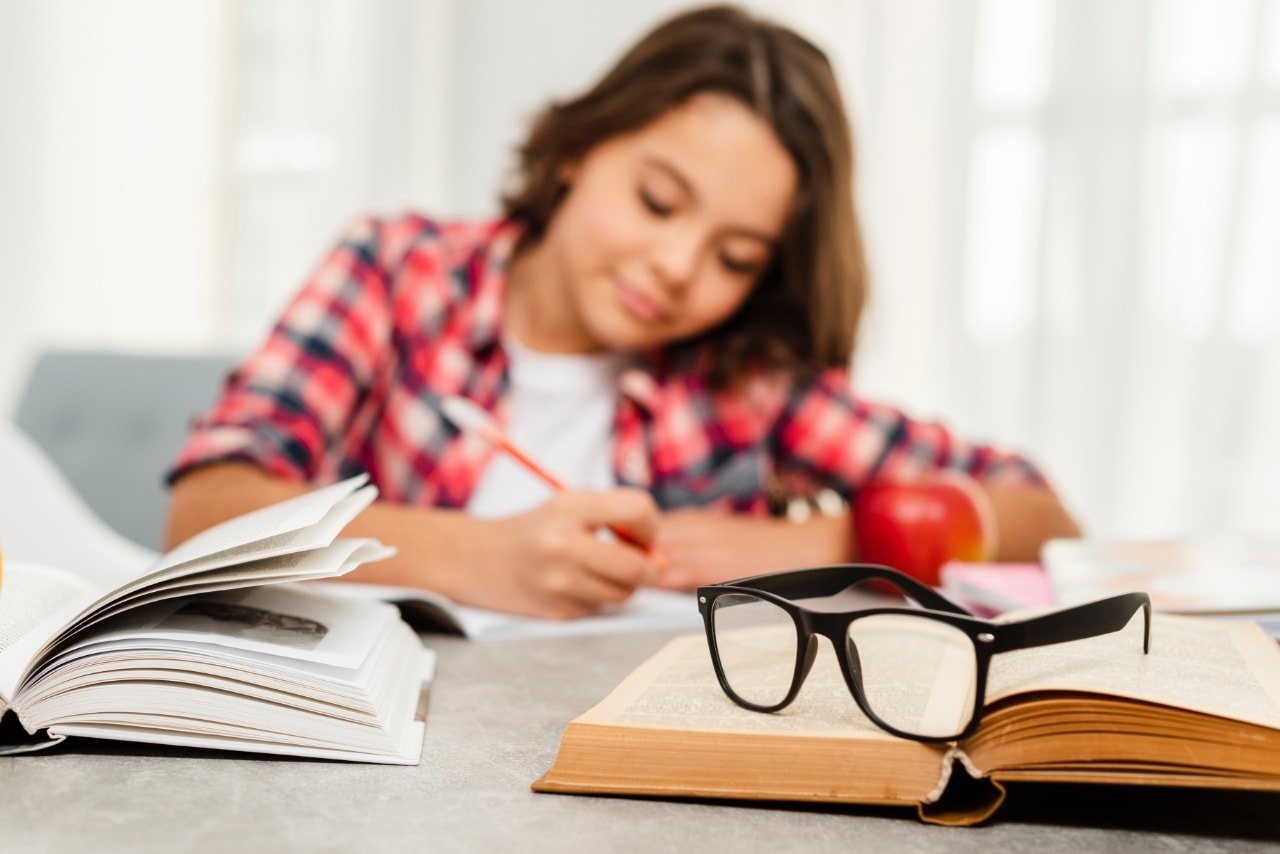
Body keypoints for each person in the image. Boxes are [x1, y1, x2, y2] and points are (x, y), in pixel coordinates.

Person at [165, 5, 1080, 619]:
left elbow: (1040, 513)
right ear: (577, 149)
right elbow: (207, 512)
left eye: (735, 257)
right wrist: (480, 559)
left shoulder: (740, 378)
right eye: (656, 199)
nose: (678, 268)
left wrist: (819, 539)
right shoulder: (398, 272)